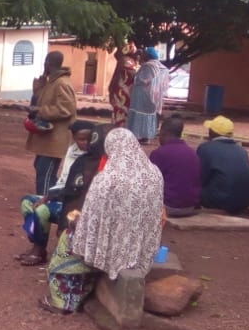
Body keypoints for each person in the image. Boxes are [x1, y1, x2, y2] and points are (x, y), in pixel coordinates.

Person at [42, 128, 164, 314]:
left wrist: (75, 224)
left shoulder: (107, 179)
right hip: (142, 250)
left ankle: (64, 301)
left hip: (112, 249)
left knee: (66, 244)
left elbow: (91, 222)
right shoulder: (155, 174)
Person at [17, 120, 95, 265]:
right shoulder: (73, 151)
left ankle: (38, 250)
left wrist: (48, 197)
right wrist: (50, 196)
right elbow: (64, 180)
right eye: (81, 139)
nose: (85, 143)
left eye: (89, 139)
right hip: (61, 196)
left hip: (75, 203)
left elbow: (76, 188)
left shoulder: (95, 159)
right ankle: (38, 245)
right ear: (74, 139)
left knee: (41, 210)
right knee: (27, 202)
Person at [26, 51, 77, 195]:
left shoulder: (61, 83)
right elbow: (38, 99)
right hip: (48, 138)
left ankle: (45, 205)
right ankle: (44, 200)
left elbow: (66, 109)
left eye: (45, 63)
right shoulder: (51, 82)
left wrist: (40, 111)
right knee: (40, 167)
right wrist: (40, 84)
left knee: (46, 173)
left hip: (55, 138)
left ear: (48, 63)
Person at [197, 115, 249, 214]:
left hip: (220, 201)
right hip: (244, 200)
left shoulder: (205, 148)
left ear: (212, 132)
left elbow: (200, 178)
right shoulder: (241, 150)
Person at [148, 115, 201, 217]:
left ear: (163, 133)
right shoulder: (192, 152)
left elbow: (149, 183)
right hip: (191, 207)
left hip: (169, 207)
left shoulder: (159, 153)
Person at [126, 46, 169, 143]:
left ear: (148, 55)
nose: (142, 56)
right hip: (154, 95)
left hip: (143, 94)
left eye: (144, 54)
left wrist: (133, 74)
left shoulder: (148, 66)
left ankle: (140, 135)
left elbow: (143, 80)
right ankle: (146, 135)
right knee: (149, 114)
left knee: (140, 113)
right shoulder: (161, 66)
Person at [108, 41, 138, 127]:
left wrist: (111, 88)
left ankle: (118, 130)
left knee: (120, 111)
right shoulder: (132, 62)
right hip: (127, 92)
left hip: (122, 92)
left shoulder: (124, 61)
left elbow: (117, 76)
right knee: (123, 112)